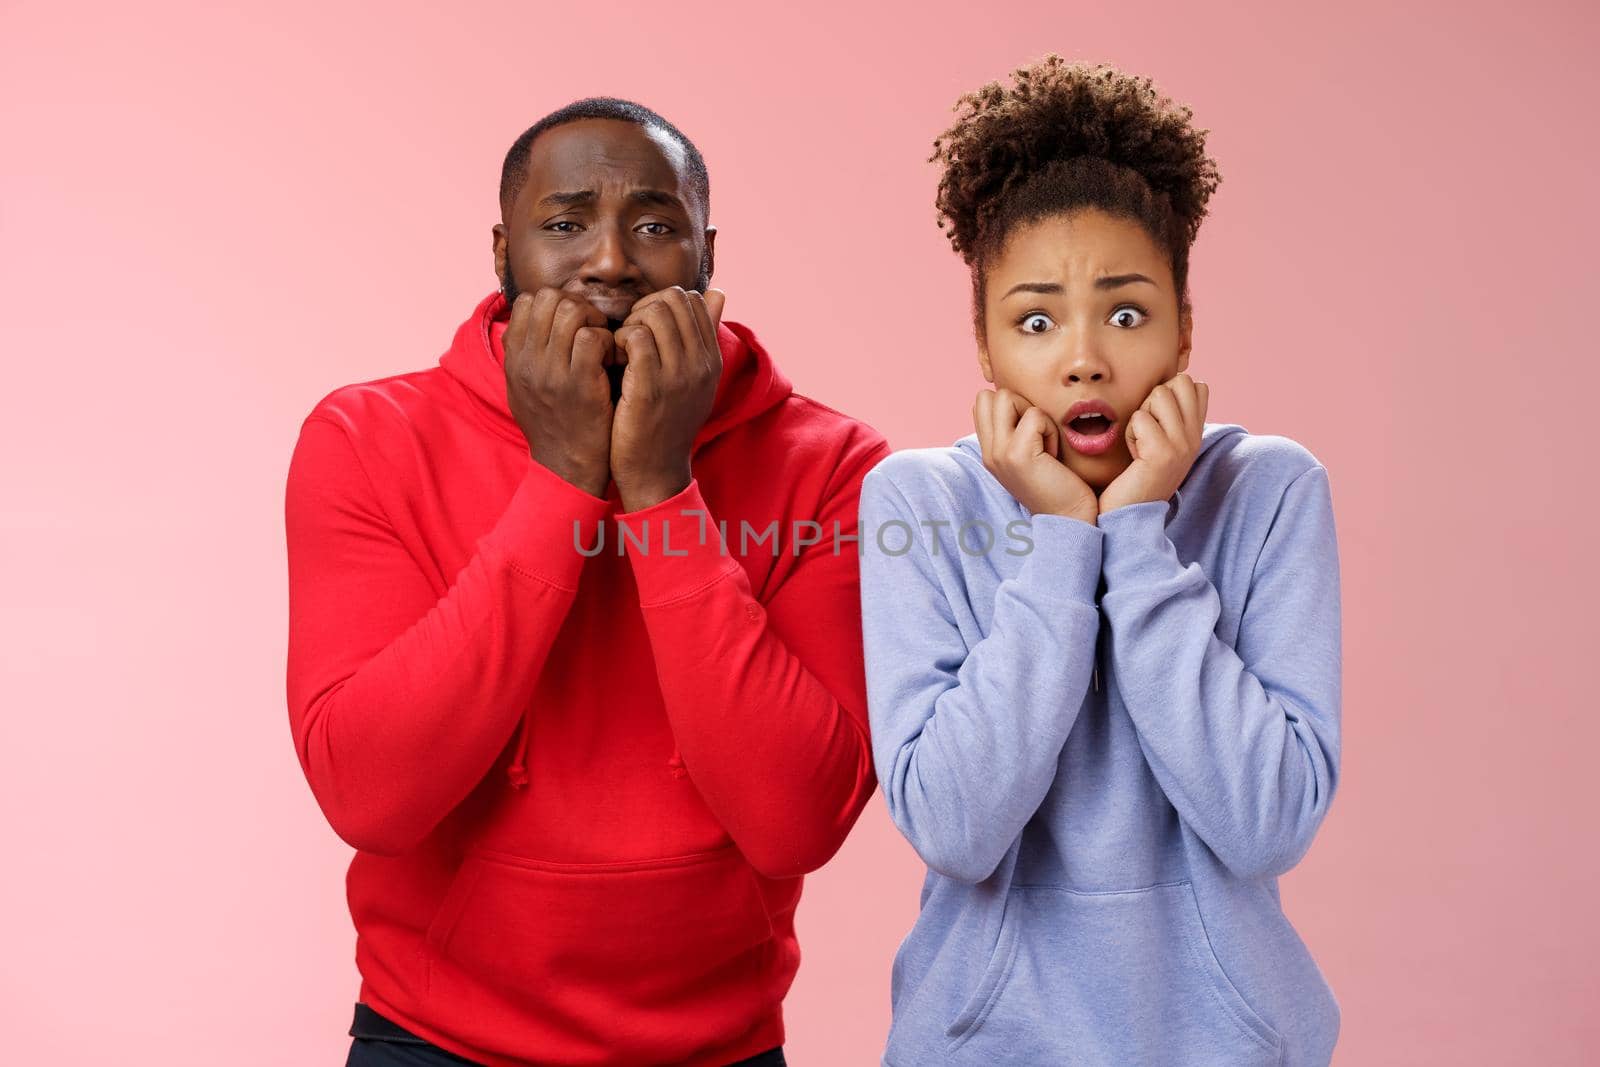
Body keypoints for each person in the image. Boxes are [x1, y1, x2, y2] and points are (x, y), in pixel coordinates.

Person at [284, 96, 890, 1067]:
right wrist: (563, 476)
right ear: (502, 252)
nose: (610, 260)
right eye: (565, 223)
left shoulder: (834, 463)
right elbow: (370, 793)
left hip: (719, 1046)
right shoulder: (366, 440)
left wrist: (658, 485)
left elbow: (792, 817)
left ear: (707, 255)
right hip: (434, 1040)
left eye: (654, 225)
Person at [857, 57, 1342, 1065]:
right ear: (984, 348)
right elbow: (955, 823)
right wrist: (1061, 539)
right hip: (981, 1045)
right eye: (1034, 321)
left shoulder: (1268, 491)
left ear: (1183, 330)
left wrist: (1136, 531)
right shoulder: (920, 501)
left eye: (1125, 313)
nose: (1083, 357)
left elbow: (1263, 823)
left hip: (1224, 1043)